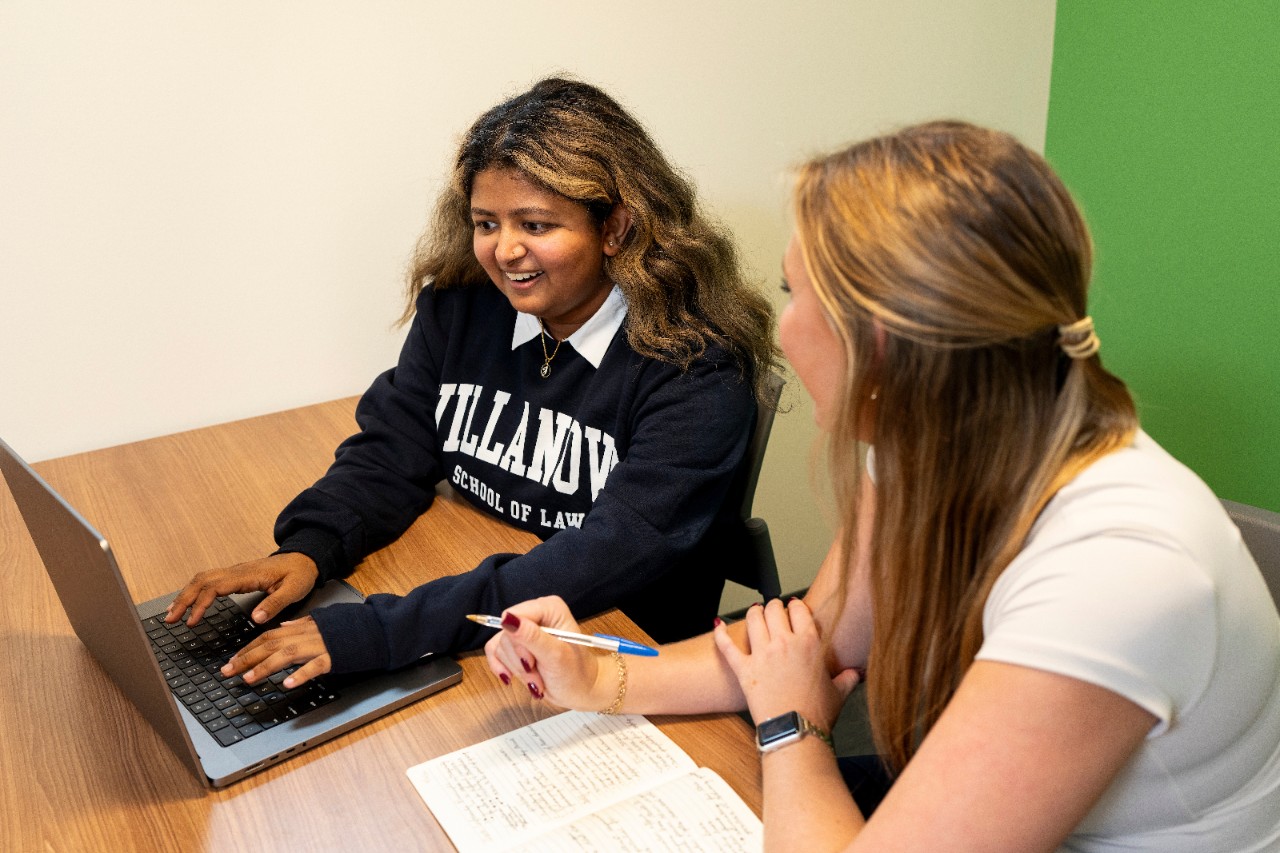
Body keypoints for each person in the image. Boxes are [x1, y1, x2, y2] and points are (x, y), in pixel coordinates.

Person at [483, 121, 1280, 851]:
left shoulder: (1119, 571)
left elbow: (792, 685)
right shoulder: (919, 438)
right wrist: (600, 675)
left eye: (798, 296)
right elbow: (810, 641)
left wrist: (793, 725)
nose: (782, 330)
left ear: (887, 342)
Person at [164, 77, 780, 690]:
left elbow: (600, 558)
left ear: (614, 229)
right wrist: (310, 549)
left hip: (610, 651)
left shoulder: (695, 368)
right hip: (476, 616)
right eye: (487, 223)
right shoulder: (460, 308)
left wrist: (384, 631)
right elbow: (392, 452)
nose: (504, 250)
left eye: (535, 225)